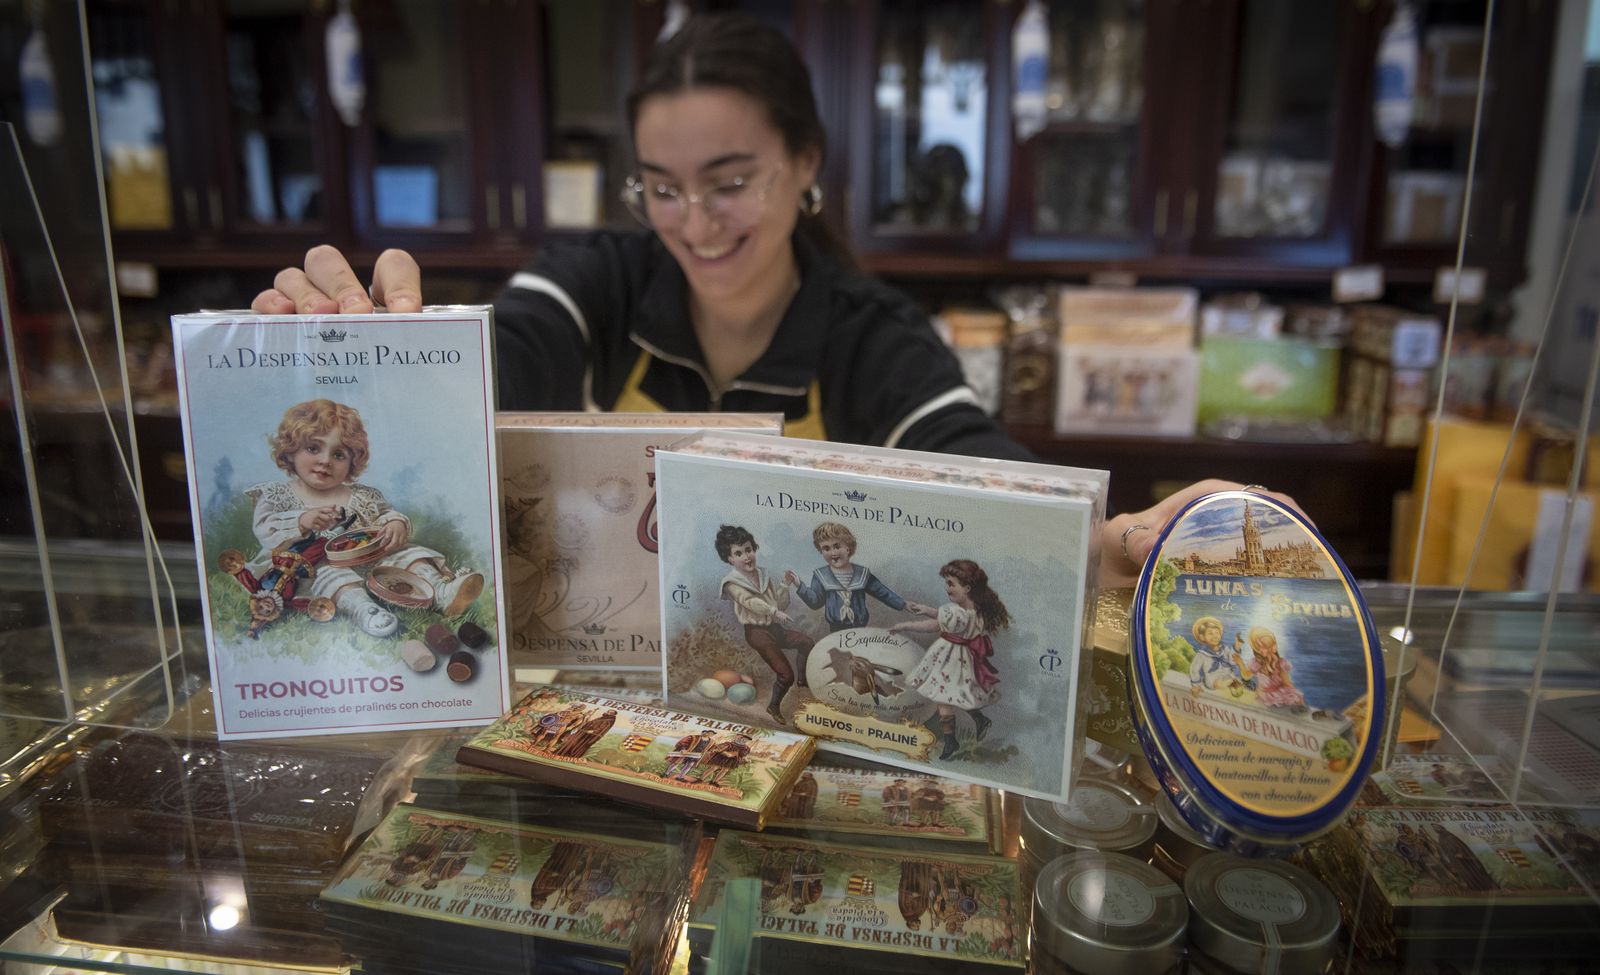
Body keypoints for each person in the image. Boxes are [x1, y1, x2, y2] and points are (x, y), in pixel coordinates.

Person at [250, 14, 1296, 589]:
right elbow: (494, 358)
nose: (694, 221)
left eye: (731, 181)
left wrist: (1117, 537)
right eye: (662, 188)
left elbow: (979, 468)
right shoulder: (591, 282)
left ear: (805, 164)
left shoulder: (868, 336)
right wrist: (367, 359)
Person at [244, 399, 484, 637]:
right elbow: (265, 530)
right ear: (291, 450)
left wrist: (395, 522)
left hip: (368, 558)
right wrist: (302, 521)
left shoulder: (362, 496)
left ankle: (441, 592)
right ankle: (366, 611)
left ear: (352, 462)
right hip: (310, 568)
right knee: (331, 577)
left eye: (338, 455)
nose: (325, 461)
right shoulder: (279, 495)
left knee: (408, 554)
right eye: (313, 449)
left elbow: (383, 514)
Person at [893, 559, 1011, 760]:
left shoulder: (960, 613)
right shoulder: (975, 612)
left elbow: (942, 620)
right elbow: (938, 624)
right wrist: (906, 626)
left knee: (947, 696)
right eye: (946, 583)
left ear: (967, 588)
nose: (946, 588)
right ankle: (964, 731)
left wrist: (926, 610)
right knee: (951, 696)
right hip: (959, 658)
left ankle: (955, 737)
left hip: (952, 658)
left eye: (951, 584)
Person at [715, 524, 813, 724]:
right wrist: (773, 611)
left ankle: (803, 682)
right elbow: (750, 602)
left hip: (773, 628)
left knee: (807, 642)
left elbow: (779, 604)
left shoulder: (763, 575)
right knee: (786, 675)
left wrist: (785, 585)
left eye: (749, 550)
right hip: (757, 633)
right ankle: (773, 707)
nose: (746, 557)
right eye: (739, 553)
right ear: (730, 559)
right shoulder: (732, 583)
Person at [786, 521, 924, 633]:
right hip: (835, 631)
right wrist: (799, 585)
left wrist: (903, 604)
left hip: (860, 629)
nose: (833, 552)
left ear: (848, 548)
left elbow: (883, 593)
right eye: (826, 548)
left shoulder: (862, 574)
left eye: (837, 546)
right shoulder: (821, 575)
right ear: (821, 551)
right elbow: (815, 602)